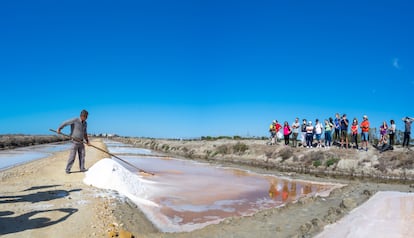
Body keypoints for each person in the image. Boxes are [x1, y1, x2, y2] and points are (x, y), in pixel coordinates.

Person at [57, 110, 90, 174]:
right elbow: (65, 123)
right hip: (74, 142)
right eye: (85, 116)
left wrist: (87, 141)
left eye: (86, 116)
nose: (86, 118)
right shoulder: (75, 120)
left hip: (81, 142)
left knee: (82, 156)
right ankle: (68, 169)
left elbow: (85, 133)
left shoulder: (85, 123)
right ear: (82, 116)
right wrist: (59, 128)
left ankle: (82, 168)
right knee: (72, 157)